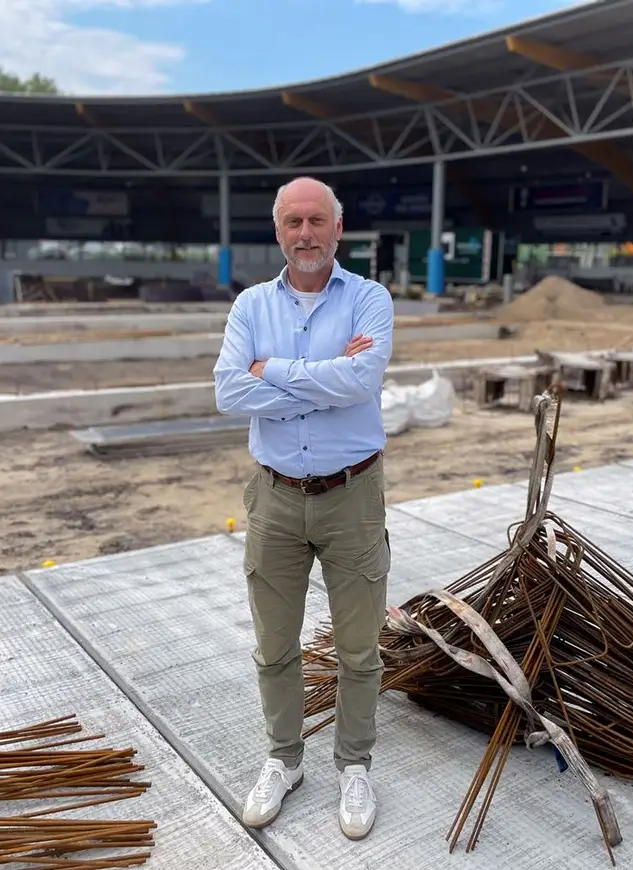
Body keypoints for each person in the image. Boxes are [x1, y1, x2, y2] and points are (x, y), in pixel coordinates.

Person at [212, 176, 394, 841]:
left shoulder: (370, 299)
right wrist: (319, 379)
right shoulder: (250, 305)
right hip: (276, 498)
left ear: (338, 229)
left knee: (358, 647)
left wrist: (272, 372)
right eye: (294, 222)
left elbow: (363, 379)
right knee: (273, 645)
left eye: (317, 220)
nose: (306, 233)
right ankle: (285, 760)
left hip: (352, 496)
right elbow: (229, 392)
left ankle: (354, 764)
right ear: (278, 230)